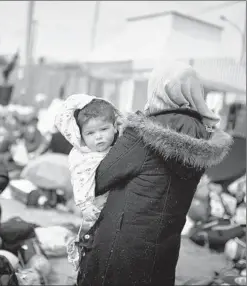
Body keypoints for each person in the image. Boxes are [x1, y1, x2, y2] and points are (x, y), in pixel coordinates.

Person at [76, 61, 233, 286]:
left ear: (159, 88)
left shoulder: (145, 131)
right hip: (163, 245)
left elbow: (99, 179)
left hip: (121, 243)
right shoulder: (202, 133)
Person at [55, 94, 123, 225]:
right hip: (97, 207)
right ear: (81, 135)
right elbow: (80, 180)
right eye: (90, 133)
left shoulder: (121, 144)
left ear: (115, 127)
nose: (98, 137)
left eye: (103, 129)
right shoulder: (84, 156)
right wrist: (85, 205)